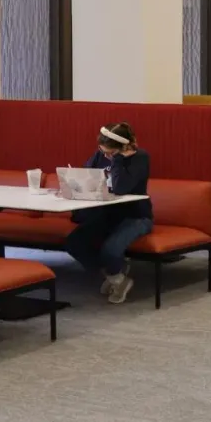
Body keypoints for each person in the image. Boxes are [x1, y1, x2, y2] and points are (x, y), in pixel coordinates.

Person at [62, 123, 153, 305]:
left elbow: (120, 188)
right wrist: (73, 185)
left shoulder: (140, 158)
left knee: (110, 251)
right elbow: (87, 174)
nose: (105, 156)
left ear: (124, 148)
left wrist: (117, 160)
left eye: (110, 153)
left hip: (136, 216)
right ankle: (116, 277)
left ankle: (116, 274)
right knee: (74, 243)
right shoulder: (100, 155)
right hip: (106, 214)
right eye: (102, 151)